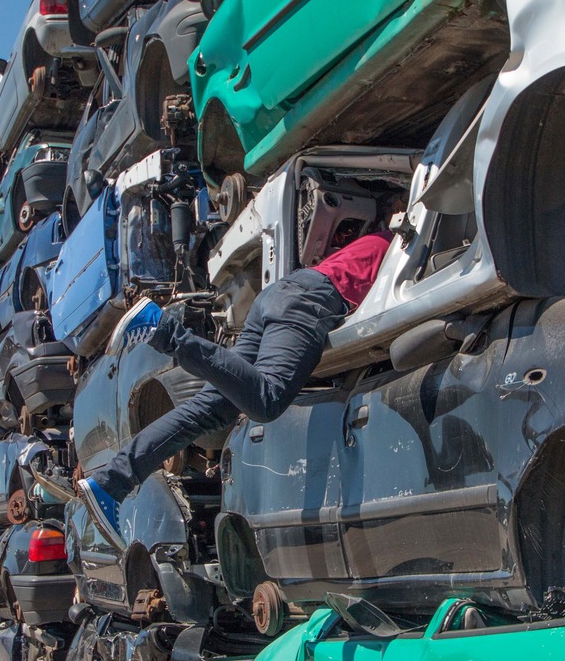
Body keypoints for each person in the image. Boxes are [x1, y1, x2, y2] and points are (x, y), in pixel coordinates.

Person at [77, 228, 394, 540]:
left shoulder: (378, 237)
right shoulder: (405, 236)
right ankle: (162, 329)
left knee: (211, 410)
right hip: (313, 299)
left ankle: (111, 482)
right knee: (267, 399)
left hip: (281, 293)